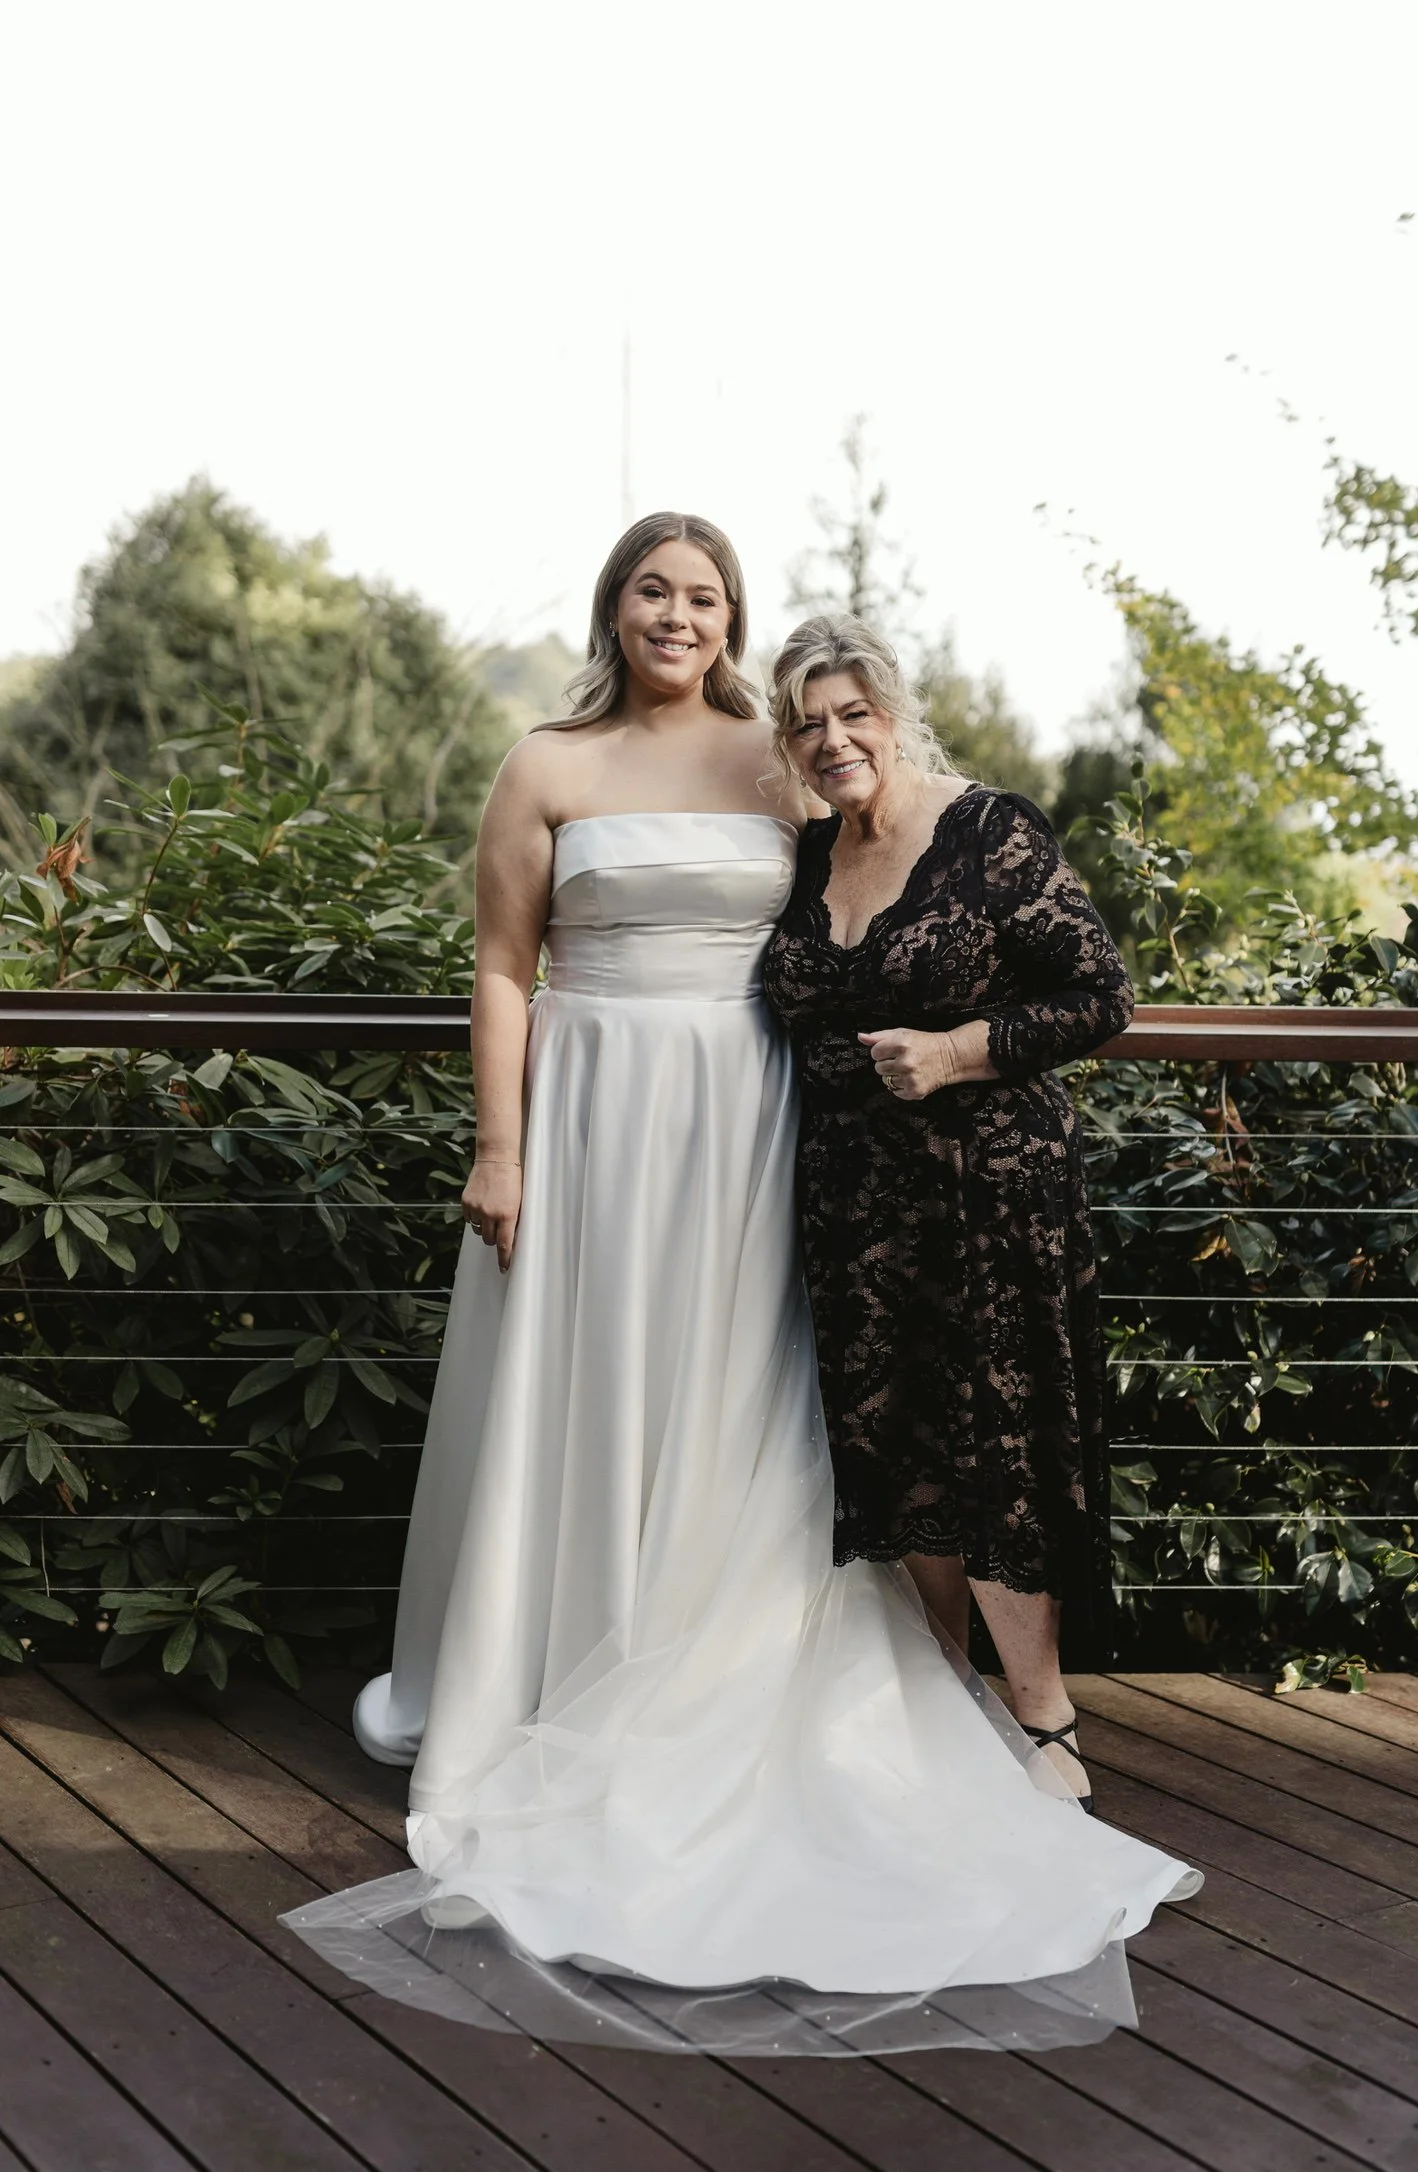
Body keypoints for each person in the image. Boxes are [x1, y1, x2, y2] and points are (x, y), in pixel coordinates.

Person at [283, 521, 1198, 2056]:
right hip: (593, 1118)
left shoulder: (775, 766)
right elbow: (505, 966)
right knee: (591, 1380)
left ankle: (844, 1684)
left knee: (756, 1395)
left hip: (765, 1125)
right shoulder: (546, 764)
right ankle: (550, 1668)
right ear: (615, 605)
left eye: (705, 597)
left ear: (734, 624)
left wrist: (968, 1049)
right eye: (655, 590)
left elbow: (898, 871)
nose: (678, 616)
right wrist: (500, 1150)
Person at [762, 614, 1131, 1806]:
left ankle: (1043, 1722)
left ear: (890, 712)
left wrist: (960, 1052)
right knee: (894, 1448)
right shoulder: (809, 856)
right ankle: (946, 1706)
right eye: (807, 724)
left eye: (851, 715)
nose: (831, 741)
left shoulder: (987, 831)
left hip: (987, 1199)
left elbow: (1097, 993)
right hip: (853, 1210)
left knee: (991, 1453)